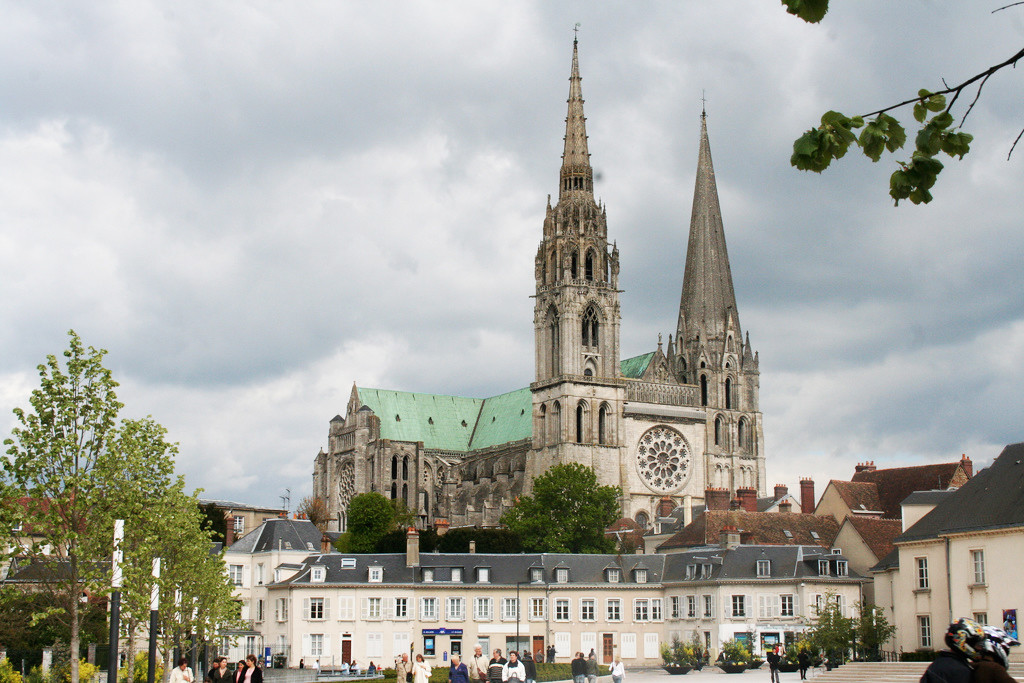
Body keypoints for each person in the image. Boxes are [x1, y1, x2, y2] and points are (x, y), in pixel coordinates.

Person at [921, 618, 985, 683]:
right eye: (976, 644)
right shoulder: (959, 671)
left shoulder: (939, 663)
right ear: (963, 641)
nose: (980, 648)